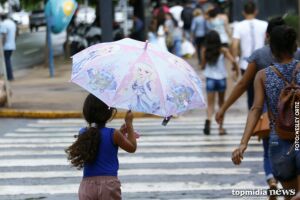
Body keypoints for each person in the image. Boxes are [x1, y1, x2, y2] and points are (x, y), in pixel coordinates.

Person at [216, 17, 289, 197]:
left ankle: (272, 178)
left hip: (269, 117)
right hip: (294, 119)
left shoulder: (260, 58)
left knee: (269, 149)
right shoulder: (297, 58)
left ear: (268, 36)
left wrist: (223, 108)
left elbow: (243, 88)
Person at [231, 25, 300, 200]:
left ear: (272, 49)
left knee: (290, 193)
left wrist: (243, 143)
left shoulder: (263, 75)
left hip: (279, 142)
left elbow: (255, 109)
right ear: (295, 45)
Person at [65, 94, 137, 200]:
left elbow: (99, 140)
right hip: (109, 185)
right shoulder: (114, 134)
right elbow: (132, 147)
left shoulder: (83, 133)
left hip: (87, 185)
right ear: (109, 113)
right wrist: (129, 124)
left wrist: (120, 134)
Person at [201, 31, 238, 135]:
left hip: (210, 79)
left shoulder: (205, 50)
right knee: (221, 104)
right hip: (221, 79)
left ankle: (208, 120)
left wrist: (205, 64)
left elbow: (203, 65)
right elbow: (234, 61)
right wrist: (234, 69)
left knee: (210, 105)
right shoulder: (223, 50)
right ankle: (220, 128)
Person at [232, 1, 267, 109]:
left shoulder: (239, 26)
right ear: (256, 11)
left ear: (243, 12)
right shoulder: (264, 24)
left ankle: (252, 117)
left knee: (250, 92)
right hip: (264, 62)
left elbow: (234, 45)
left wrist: (235, 62)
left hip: (245, 63)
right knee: (264, 91)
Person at [0, 13, 16, 81]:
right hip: (12, 44)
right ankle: (9, 76)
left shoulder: (3, 24)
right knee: (8, 60)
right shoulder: (12, 23)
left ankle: (9, 77)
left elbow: (4, 36)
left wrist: (1, 46)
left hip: (6, 46)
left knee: (7, 61)